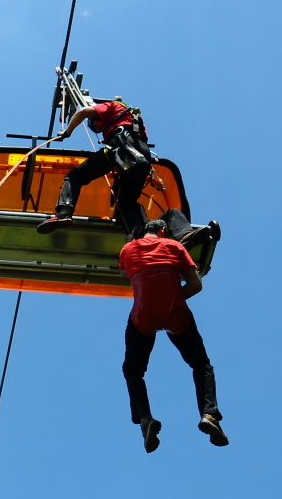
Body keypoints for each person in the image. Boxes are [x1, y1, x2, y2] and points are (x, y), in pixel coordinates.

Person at [118, 218, 228, 453]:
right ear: (163, 230)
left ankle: (145, 419)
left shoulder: (128, 249)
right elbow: (196, 285)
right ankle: (209, 414)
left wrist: (130, 242)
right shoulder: (174, 246)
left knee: (133, 371)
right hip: (176, 313)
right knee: (201, 364)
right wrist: (173, 299)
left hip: (142, 316)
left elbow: (124, 274)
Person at [38, 98, 153, 235]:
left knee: (75, 176)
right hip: (141, 155)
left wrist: (67, 132)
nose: (99, 128)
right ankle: (142, 237)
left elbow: (84, 112)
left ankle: (64, 213)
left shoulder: (112, 106)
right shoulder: (134, 119)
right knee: (126, 204)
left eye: (96, 125)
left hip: (121, 145)